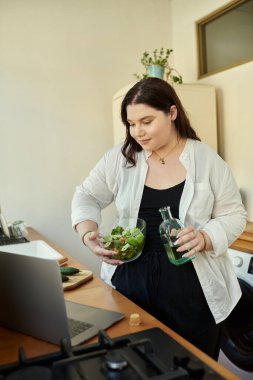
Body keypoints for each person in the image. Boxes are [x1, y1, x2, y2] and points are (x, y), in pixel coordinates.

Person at [71, 77, 247, 359]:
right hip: (130, 285)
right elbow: (86, 195)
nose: (137, 132)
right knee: (133, 365)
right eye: (131, 123)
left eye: (147, 121)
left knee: (192, 368)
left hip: (192, 291)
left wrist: (205, 236)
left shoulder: (206, 159)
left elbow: (234, 214)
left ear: (172, 113)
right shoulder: (121, 157)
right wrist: (87, 231)